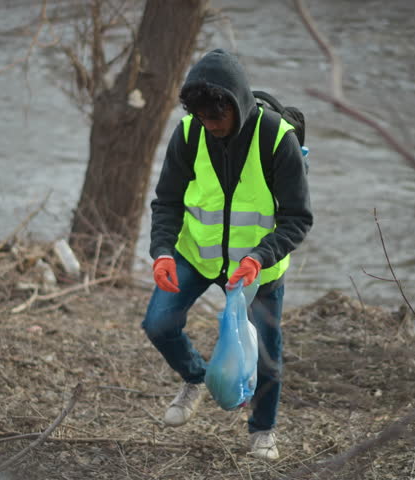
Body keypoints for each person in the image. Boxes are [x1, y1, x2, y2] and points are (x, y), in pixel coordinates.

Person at [142, 49, 313, 461]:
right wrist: (163, 252)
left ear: (237, 104)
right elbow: (166, 202)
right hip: (196, 255)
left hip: (258, 265)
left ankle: (262, 431)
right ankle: (196, 378)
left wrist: (260, 257)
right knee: (159, 324)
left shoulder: (277, 138)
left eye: (217, 118)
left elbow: (297, 218)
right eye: (202, 118)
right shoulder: (188, 133)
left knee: (267, 352)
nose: (210, 126)